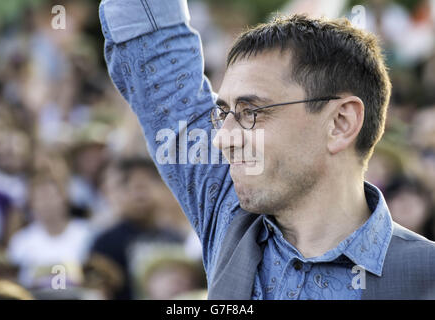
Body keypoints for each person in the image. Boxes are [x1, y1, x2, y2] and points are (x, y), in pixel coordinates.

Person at [99, 0, 435, 299]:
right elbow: (153, 49)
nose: (222, 138)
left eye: (250, 112)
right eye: (223, 113)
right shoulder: (227, 211)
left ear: (341, 123)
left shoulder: (425, 276)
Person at [90, 158, 183, 299]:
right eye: (134, 187)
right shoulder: (105, 243)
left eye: (146, 185)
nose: (140, 195)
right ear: (120, 192)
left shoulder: (175, 238)